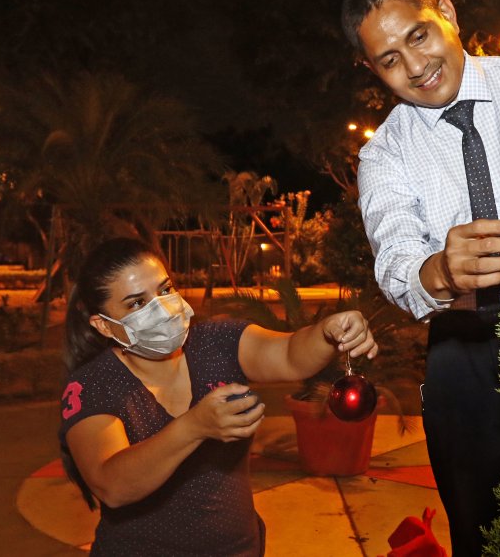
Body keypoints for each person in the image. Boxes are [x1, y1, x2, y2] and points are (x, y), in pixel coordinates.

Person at [342, 0, 500, 555]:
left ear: (448, 15)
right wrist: (439, 271)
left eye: (419, 36)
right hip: (468, 351)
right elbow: (396, 257)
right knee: (485, 532)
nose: (415, 66)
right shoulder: (385, 154)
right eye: (389, 60)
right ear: (372, 68)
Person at [58, 237, 377, 556]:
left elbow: (291, 355)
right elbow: (112, 485)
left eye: (165, 289)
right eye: (137, 304)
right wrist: (194, 427)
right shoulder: (92, 384)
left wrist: (327, 332)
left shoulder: (217, 343)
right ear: (103, 325)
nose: (161, 308)